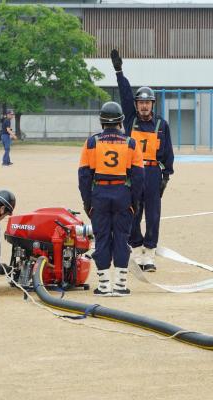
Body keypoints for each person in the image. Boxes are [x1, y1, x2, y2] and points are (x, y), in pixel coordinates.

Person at [111, 49, 174, 272]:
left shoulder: (161, 125)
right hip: (133, 172)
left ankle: (150, 254)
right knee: (133, 213)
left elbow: (167, 152)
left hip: (154, 172)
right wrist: (119, 71)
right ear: (136, 105)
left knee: (154, 215)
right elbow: (124, 93)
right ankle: (137, 251)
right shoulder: (130, 120)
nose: (144, 106)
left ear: (153, 105)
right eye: (141, 103)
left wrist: (166, 176)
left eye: (148, 103)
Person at [78, 102, 144, 296]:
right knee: (122, 239)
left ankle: (104, 285)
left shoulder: (91, 142)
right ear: (121, 121)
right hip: (122, 193)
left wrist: (87, 202)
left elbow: (83, 177)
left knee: (102, 239)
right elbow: (139, 178)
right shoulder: (131, 143)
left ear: (101, 121)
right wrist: (134, 202)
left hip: (99, 193)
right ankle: (120, 285)